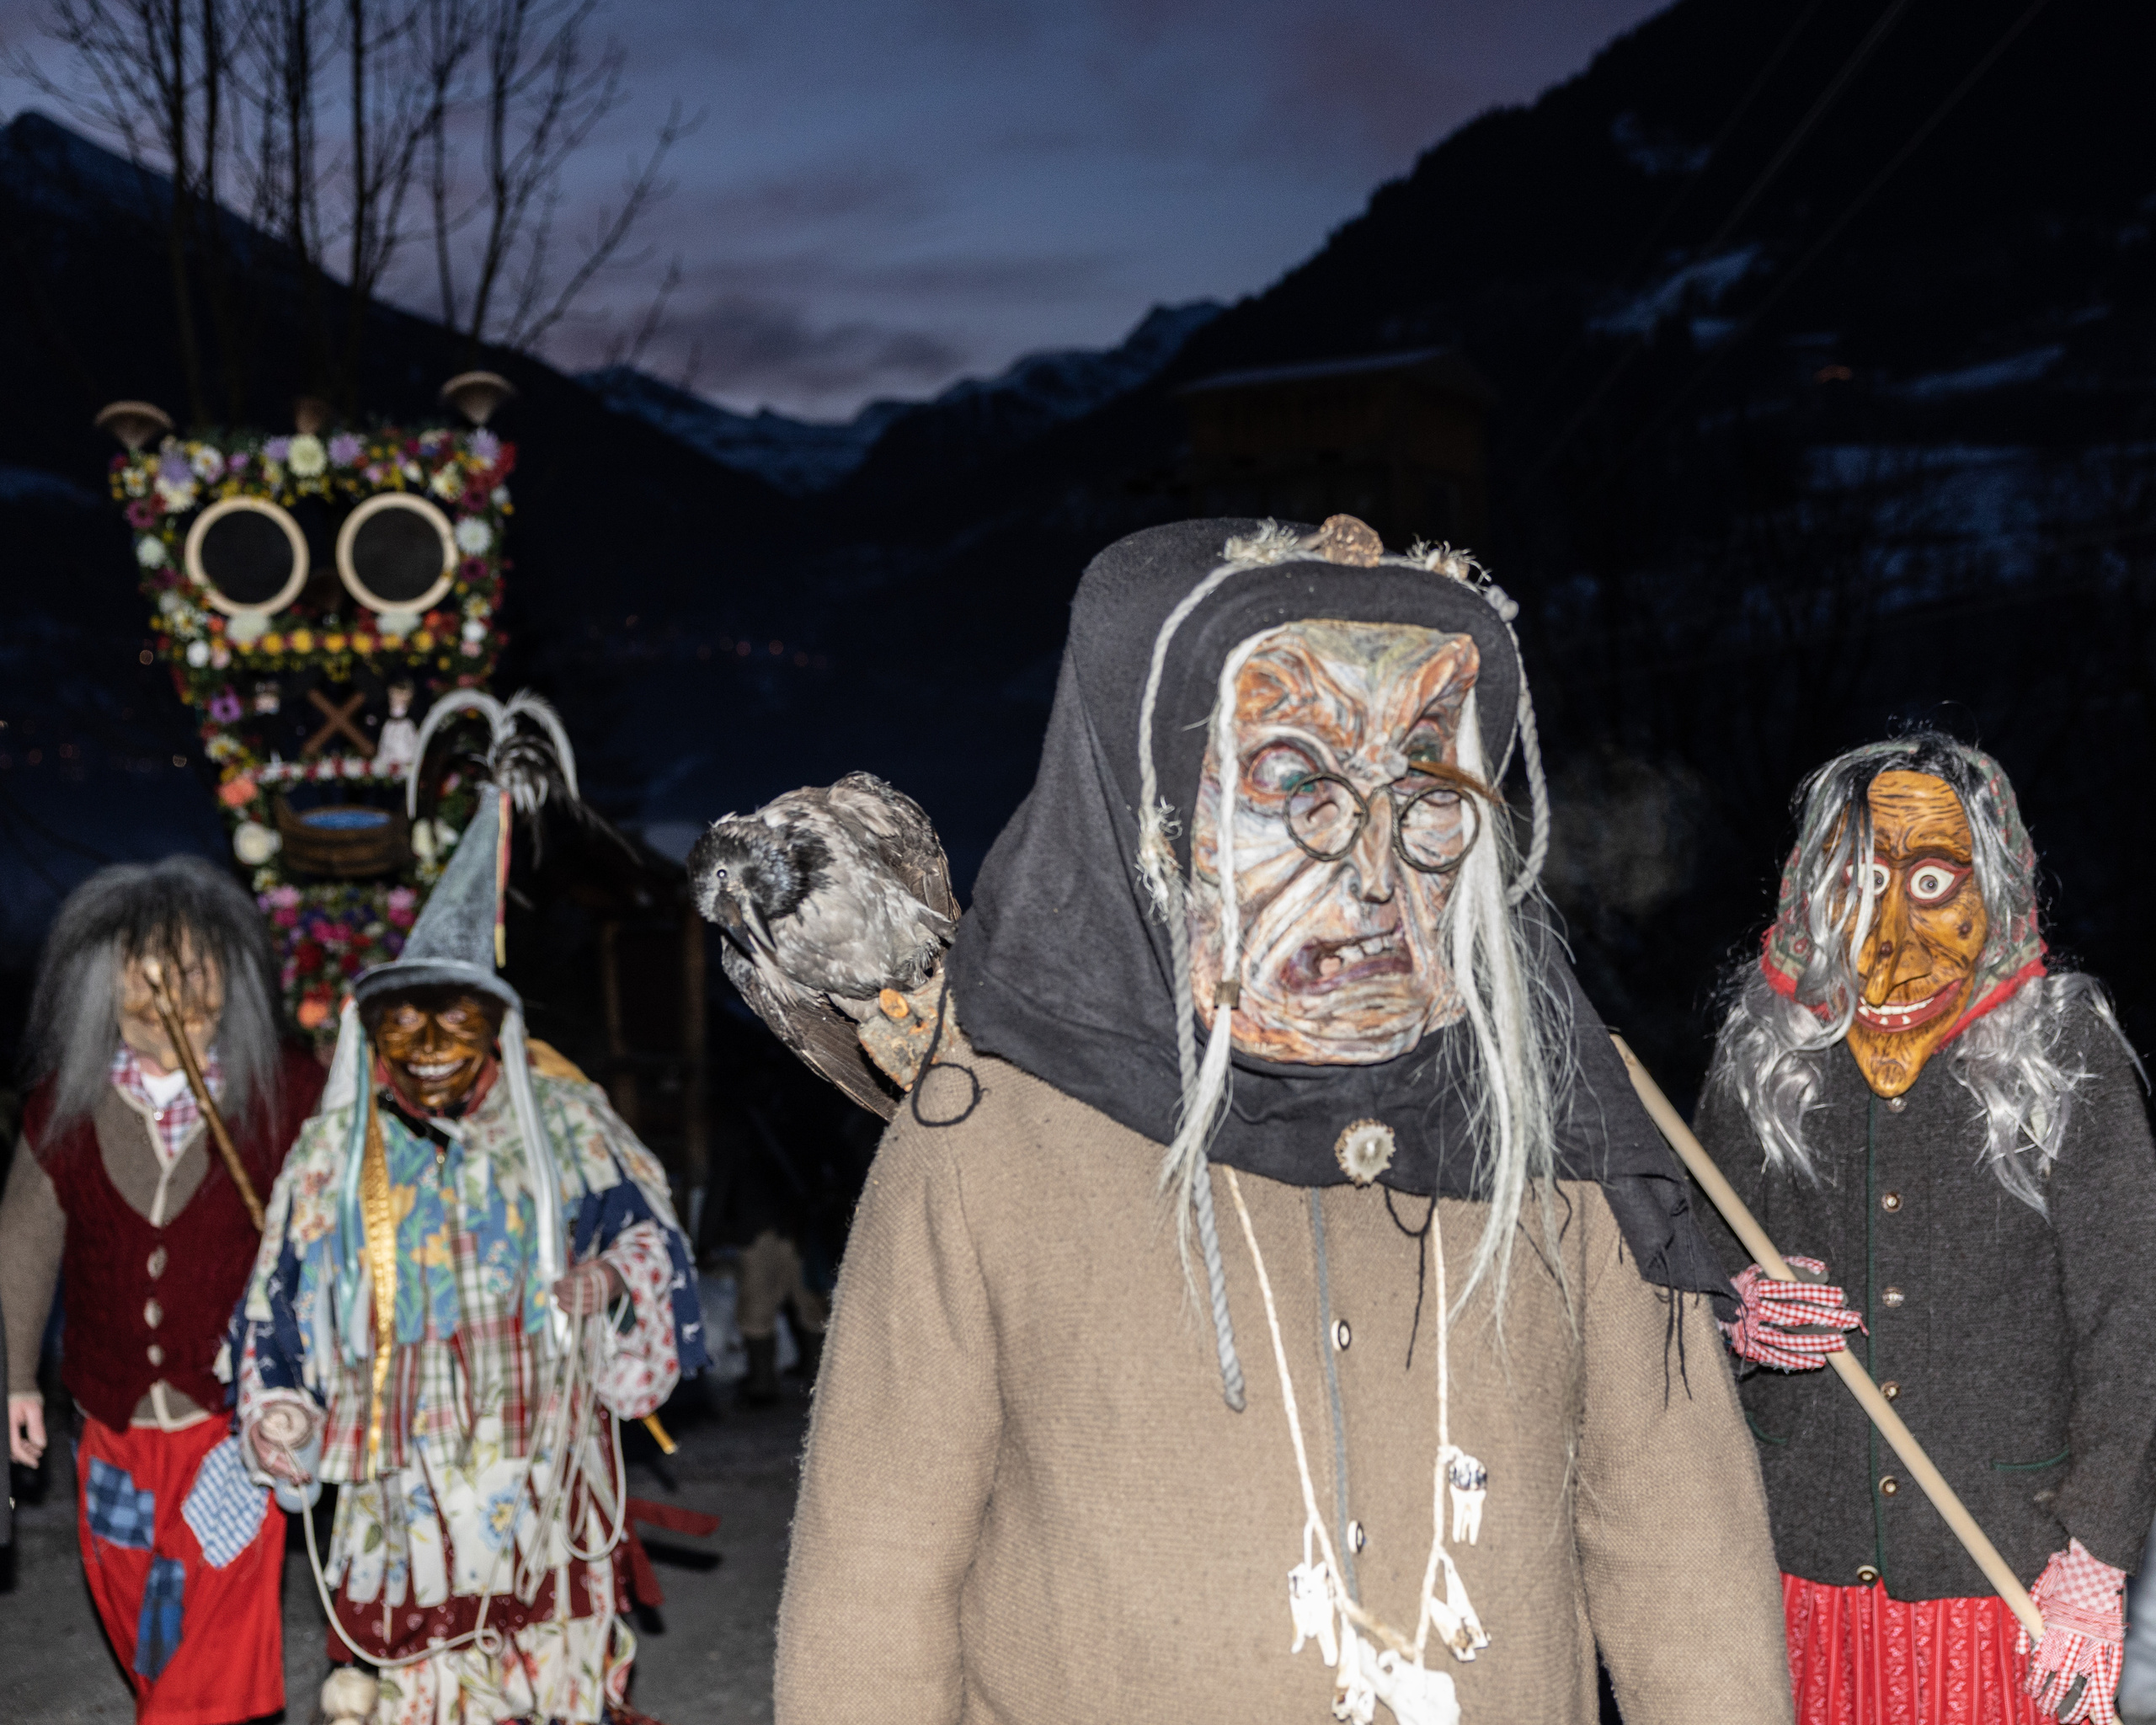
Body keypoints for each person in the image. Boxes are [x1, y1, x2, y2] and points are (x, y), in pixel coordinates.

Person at [774, 516, 1793, 1724]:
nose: (1375, 863)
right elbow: (875, 1596)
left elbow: (1683, 1564)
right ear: (1152, 818)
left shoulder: (1562, 1137)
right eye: (1296, 780)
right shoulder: (996, 1147)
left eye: (1423, 779)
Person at [229, 700, 707, 1725]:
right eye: (404, 1017)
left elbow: (651, 1235)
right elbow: (278, 1302)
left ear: (497, 1021)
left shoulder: (569, 1121)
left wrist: (615, 1277)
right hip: (405, 1497)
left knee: (555, 1683)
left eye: (457, 1014)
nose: (432, 1039)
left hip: (546, 1478)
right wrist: (278, 1402)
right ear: (373, 1029)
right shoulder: (331, 1154)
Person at [1694, 736, 2156, 1725]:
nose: (1889, 930)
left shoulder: (2064, 1049)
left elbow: (2132, 1318)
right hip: (1799, 1574)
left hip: (2009, 1578)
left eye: (1933, 878)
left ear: (1991, 883)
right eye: (1857, 879)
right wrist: (1732, 1311)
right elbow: (1682, 1258)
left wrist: (2097, 1555)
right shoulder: (1763, 1053)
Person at [1, 857, 323, 1723]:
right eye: (143, 972)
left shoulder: (287, 1093)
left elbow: (338, 1233)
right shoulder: (63, 1102)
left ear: (234, 975)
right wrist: (15, 1379)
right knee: (144, 1615)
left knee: (216, 1641)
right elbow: (24, 1238)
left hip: (236, 1421)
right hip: (111, 1421)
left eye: (195, 969)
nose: (171, 994)